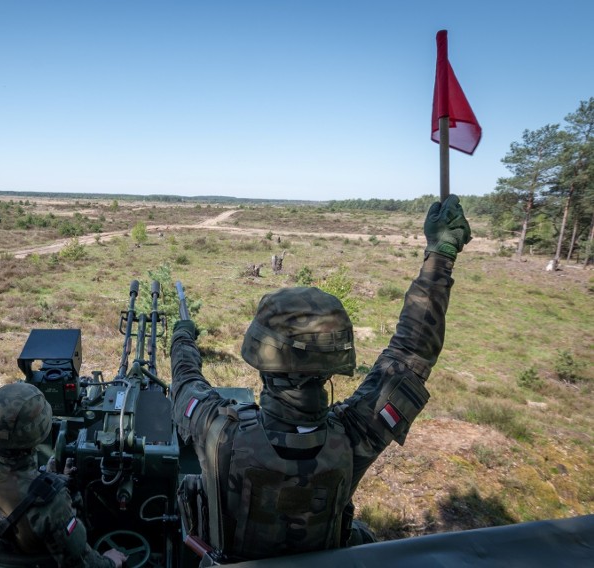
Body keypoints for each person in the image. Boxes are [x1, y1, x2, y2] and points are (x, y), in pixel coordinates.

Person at [171, 196, 472, 562]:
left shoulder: (218, 431)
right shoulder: (352, 437)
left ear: (262, 358)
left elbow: (186, 383)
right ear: (334, 362)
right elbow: (411, 355)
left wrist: (183, 336)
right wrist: (440, 256)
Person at [0, 382, 127, 568]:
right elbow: (82, 563)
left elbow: (16, 489)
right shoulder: (50, 502)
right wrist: (111, 561)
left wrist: (52, 479)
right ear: (40, 429)